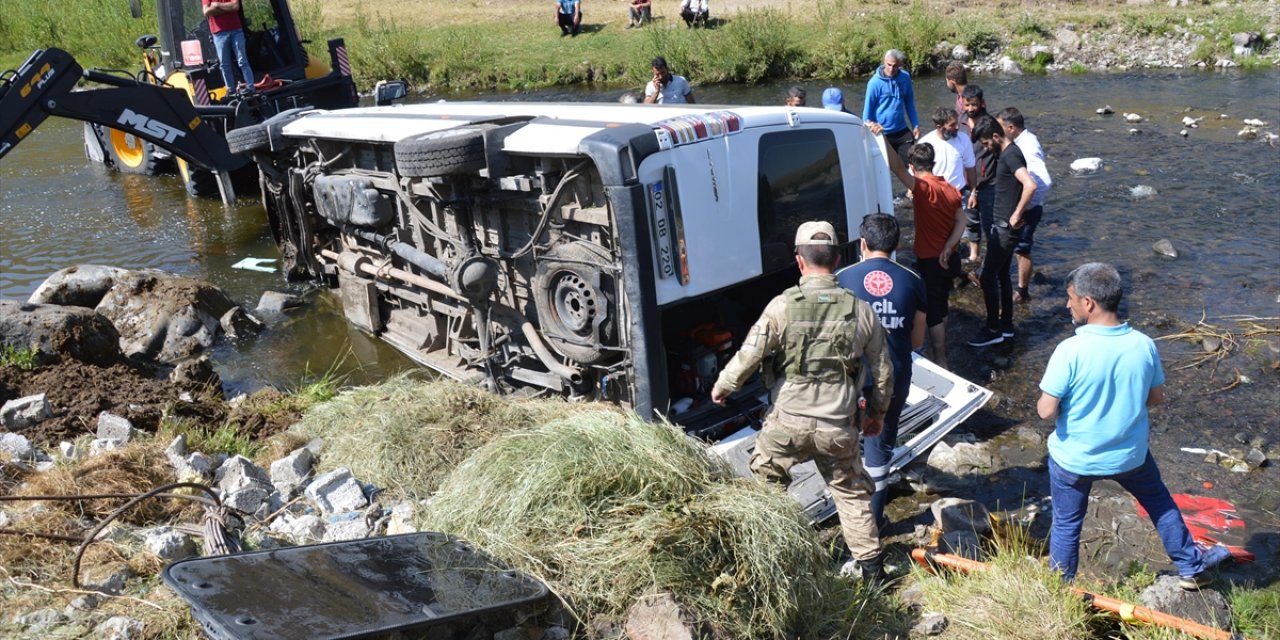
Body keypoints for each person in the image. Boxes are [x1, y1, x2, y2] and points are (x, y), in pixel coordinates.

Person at [711, 221, 893, 581]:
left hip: (787, 423)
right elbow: (884, 371)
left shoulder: (782, 307)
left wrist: (723, 386)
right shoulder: (861, 311)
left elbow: (750, 353)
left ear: (798, 261)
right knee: (851, 493)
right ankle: (873, 571)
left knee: (765, 483)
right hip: (838, 426)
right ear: (838, 258)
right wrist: (876, 415)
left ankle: (770, 562)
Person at [1037, 262, 1233, 588]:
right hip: (1129, 455)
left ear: (1088, 303)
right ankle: (1191, 569)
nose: (1066, 304)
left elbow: (1045, 410)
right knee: (1160, 504)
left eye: (1069, 297)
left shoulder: (1069, 350)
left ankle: (1060, 587)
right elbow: (1156, 398)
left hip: (1075, 459)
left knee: (1067, 523)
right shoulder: (1143, 345)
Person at [836, 214, 925, 532]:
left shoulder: (843, 278)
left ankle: (849, 515)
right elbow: (916, 340)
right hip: (892, 377)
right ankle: (873, 522)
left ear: (862, 244)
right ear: (897, 244)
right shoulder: (912, 280)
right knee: (880, 447)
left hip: (851, 378)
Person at [884, 143, 965, 369]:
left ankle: (940, 358)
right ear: (933, 162)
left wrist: (882, 138)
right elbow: (962, 221)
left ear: (913, 166)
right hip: (950, 258)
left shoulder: (922, 188)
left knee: (933, 312)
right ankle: (940, 347)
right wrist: (949, 247)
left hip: (931, 260)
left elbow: (896, 167)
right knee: (943, 303)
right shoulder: (950, 187)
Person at [968, 115, 1036, 347]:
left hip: (1006, 228)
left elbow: (1030, 184)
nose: (986, 148)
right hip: (1004, 227)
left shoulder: (1011, 155)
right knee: (1002, 274)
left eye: (987, 144)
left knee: (988, 276)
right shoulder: (1007, 153)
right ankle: (1006, 326)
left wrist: (1016, 214)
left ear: (996, 136)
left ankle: (993, 328)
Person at [997, 107, 1052, 304]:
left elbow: (1043, 181)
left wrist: (1022, 210)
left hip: (1027, 209)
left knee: (1022, 249)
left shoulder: (1027, 147)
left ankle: (1022, 291)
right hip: (1024, 206)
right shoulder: (1024, 140)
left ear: (1011, 127)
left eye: (1000, 126)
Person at [863, 49, 920, 165]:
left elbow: (909, 103)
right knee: (882, 171)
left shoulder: (905, 78)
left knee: (914, 164)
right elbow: (867, 114)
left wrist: (915, 124)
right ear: (884, 62)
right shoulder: (874, 83)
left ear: (900, 65)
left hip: (901, 131)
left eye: (895, 66)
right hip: (882, 134)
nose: (891, 69)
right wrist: (869, 130)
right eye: (889, 65)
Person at [961, 85, 995, 264]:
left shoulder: (991, 123)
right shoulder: (959, 123)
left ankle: (992, 256)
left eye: (974, 104)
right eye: (967, 105)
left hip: (989, 181)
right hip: (966, 183)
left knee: (990, 222)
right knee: (970, 220)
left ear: (982, 103)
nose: (970, 109)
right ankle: (974, 255)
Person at [917, 107, 976, 196]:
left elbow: (970, 167)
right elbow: (917, 172)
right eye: (952, 125)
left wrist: (973, 193)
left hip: (959, 192)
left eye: (957, 123)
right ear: (939, 127)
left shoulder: (963, 139)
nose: (957, 127)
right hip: (935, 194)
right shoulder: (925, 143)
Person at [202, 0, 255, 93]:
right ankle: (231, 90)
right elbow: (206, 11)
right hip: (219, 33)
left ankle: (250, 88)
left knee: (242, 60)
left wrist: (217, 5)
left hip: (236, 30)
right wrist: (228, 9)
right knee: (224, 64)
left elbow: (235, 6)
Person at [944, 62, 969, 134]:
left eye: (947, 81)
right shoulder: (961, 95)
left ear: (952, 82)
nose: (947, 84)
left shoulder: (966, 99)